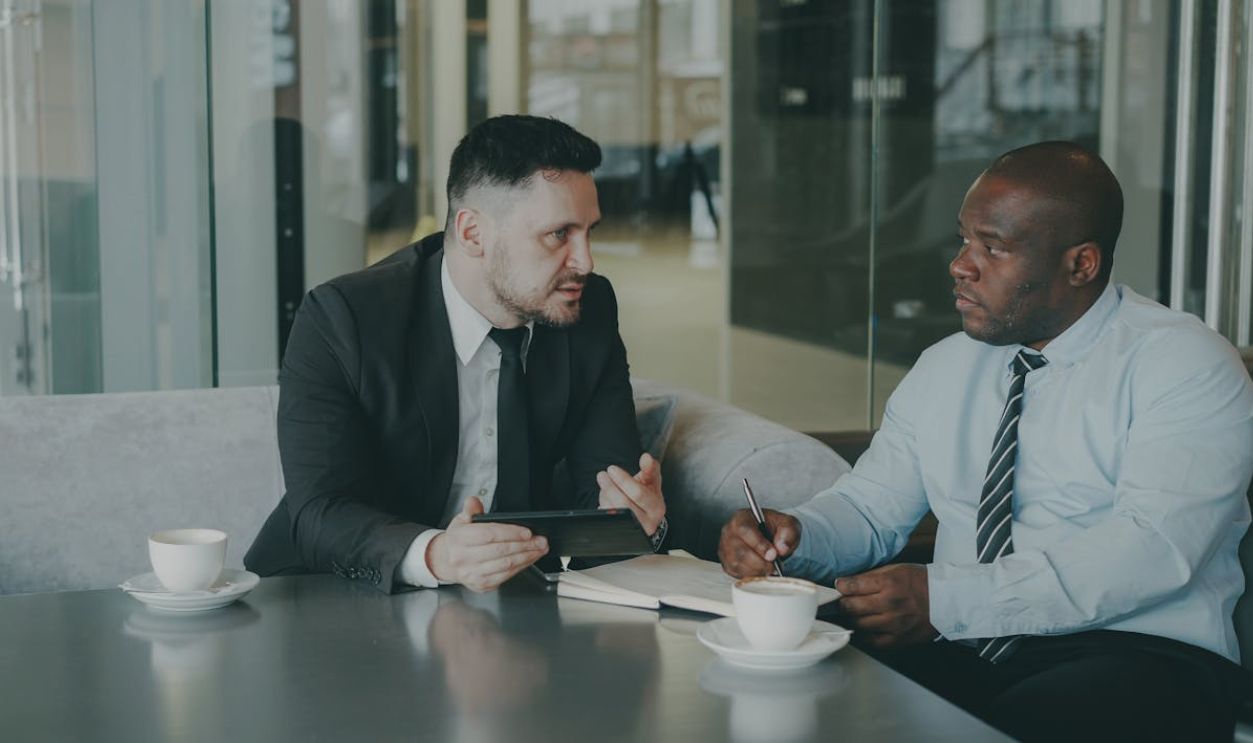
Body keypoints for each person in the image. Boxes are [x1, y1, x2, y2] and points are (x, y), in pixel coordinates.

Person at [718, 142, 1253, 740]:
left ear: (1081, 264)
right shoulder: (947, 365)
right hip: (965, 641)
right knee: (802, 698)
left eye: (993, 247)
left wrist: (947, 600)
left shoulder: (1183, 363)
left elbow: (1154, 550)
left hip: (1142, 653)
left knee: (1029, 723)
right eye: (964, 240)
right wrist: (793, 537)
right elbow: (870, 510)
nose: (961, 265)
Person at [245, 115, 667, 594]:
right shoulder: (344, 319)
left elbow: (602, 491)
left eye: (589, 232)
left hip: (508, 611)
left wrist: (632, 518)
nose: (585, 261)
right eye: (558, 235)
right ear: (472, 234)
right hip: (335, 599)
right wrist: (435, 555)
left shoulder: (587, 309)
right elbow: (319, 510)